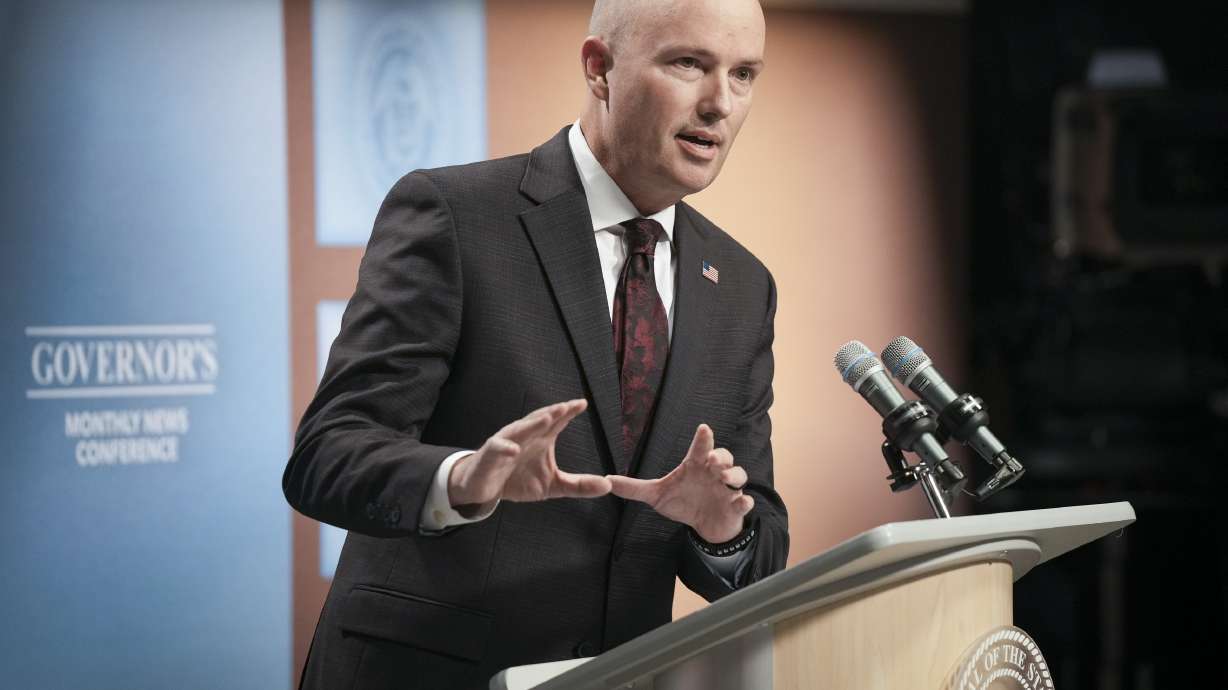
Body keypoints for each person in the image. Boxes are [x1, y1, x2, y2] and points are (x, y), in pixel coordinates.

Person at [282, 1, 788, 688]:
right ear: (600, 67)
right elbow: (327, 454)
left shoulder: (742, 286)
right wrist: (463, 480)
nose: (719, 103)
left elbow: (759, 551)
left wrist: (719, 529)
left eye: (744, 74)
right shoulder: (456, 215)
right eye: (689, 64)